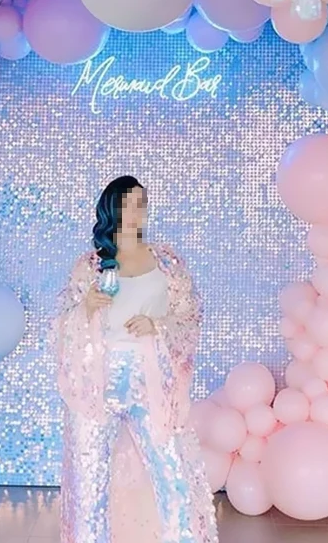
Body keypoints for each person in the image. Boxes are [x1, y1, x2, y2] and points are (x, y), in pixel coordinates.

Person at [52, 175, 218, 543]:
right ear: (111, 209)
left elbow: (190, 314)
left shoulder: (166, 261)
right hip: (96, 384)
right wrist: (85, 309)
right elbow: (61, 324)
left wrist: (156, 326)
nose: (135, 212)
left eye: (141, 204)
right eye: (127, 204)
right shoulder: (91, 265)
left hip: (150, 380)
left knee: (173, 476)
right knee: (88, 483)